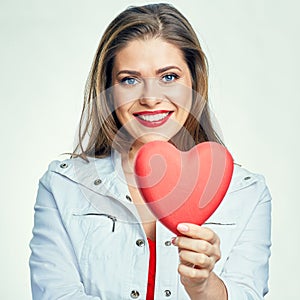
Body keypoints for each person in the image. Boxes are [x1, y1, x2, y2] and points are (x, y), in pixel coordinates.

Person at [29, 3, 271, 300]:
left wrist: (204, 287)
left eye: (169, 77)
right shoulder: (63, 185)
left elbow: (247, 292)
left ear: (194, 82)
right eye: (129, 80)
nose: (151, 98)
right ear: (109, 90)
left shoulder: (245, 192)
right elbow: (56, 295)